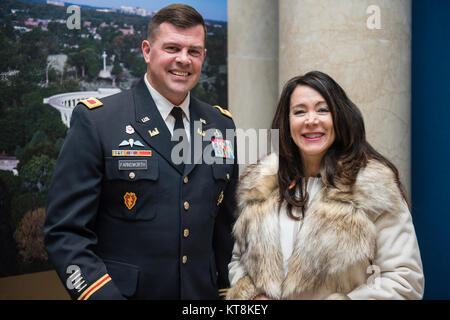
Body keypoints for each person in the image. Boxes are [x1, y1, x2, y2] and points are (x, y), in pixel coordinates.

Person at [44, 4, 238, 300]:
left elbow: (226, 231)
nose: (183, 60)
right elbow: (66, 233)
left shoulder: (221, 125)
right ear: (147, 51)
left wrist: (229, 294)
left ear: (203, 57)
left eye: (194, 51)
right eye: (172, 48)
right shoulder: (98, 121)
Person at [226, 71, 424, 300]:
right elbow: (239, 262)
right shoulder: (262, 188)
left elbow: (404, 280)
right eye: (299, 111)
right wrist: (254, 297)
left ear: (339, 118)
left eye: (323, 110)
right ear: (287, 122)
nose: (311, 120)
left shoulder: (373, 188)